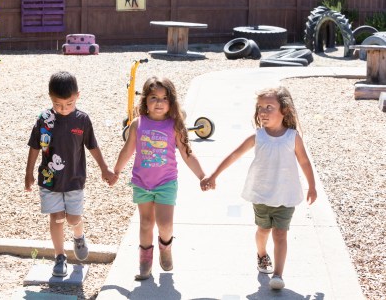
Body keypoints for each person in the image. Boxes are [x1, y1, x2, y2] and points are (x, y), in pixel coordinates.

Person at [201, 86, 317, 290]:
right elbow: (234, 155)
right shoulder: (258, 136)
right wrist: (214, 175)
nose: (263, 111)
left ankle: (278, 275)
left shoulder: (292, 137)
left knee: (280, 233)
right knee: (263, 229)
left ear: (285, 111)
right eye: (260, 107)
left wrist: (312, 186)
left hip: (285, 195)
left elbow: (305, 162)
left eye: (269, 107)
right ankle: (262, 254)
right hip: (262, 194)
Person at [110, 76, 207, 280]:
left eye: (164, 98)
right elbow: (127, 150)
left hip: (166, 183)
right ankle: (145, 262)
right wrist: (116, 171)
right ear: (145, 100)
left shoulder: (174, 125)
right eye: (153, 97)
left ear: (171, 102)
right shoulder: (138, 124)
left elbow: (187, 153)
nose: (159, 102)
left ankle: (166, 247)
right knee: (145, 223)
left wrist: (202, 175)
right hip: (142, 183)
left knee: (164, 224)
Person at [25, 71, 115, 277]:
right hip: (49, 179)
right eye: (58, 104)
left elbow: (92, 145)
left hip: (75, 179)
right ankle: (60, 256)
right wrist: (28, 172)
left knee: (73, 218)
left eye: (69, 104)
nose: (63, 109)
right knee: (56, 218)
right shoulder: (44, 120)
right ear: (50, 98)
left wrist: (104, 167)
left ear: (78, 96)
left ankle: (79, 235)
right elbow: (34, 147)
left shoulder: (82, 120)